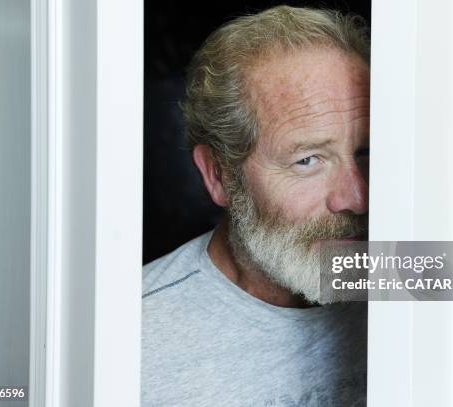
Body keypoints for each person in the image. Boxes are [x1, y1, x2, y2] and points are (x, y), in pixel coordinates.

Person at [142, 5, 370, 406]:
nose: (356, 198)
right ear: (218, 175)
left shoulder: (407, 275)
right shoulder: (130, 334)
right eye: (308, 160)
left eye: (366, 153)